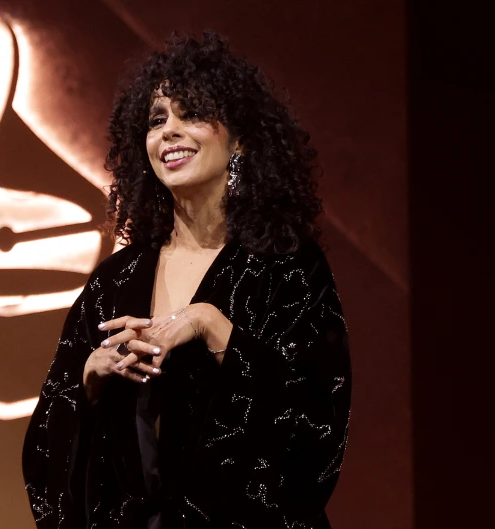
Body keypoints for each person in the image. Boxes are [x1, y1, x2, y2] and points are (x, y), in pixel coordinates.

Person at [22, 31, 351, 528]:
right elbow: (45, 456)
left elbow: (317, 425)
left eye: (191, 113)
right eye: (157, 121)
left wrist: (214, 328)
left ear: (239, 138)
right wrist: (89, 379)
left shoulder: (286, 267)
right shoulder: (114, 281)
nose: (169, 132)